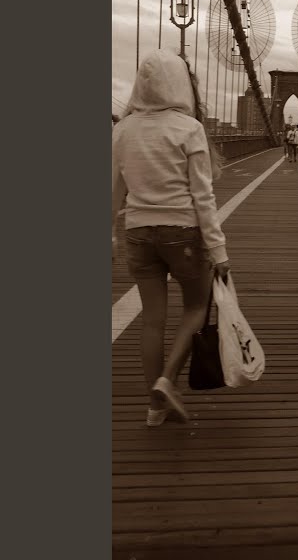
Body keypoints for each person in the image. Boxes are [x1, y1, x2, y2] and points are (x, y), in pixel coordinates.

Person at [112, 49, 230, 428]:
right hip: (183, 234)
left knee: (152, 321)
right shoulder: (188, 128)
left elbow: (113, 191)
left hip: (137, 234)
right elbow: (203, 197)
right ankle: (167, 380)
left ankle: (155, 408)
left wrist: (109, 236)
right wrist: (218, 250)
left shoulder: (122, 130)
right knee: (196, 306)